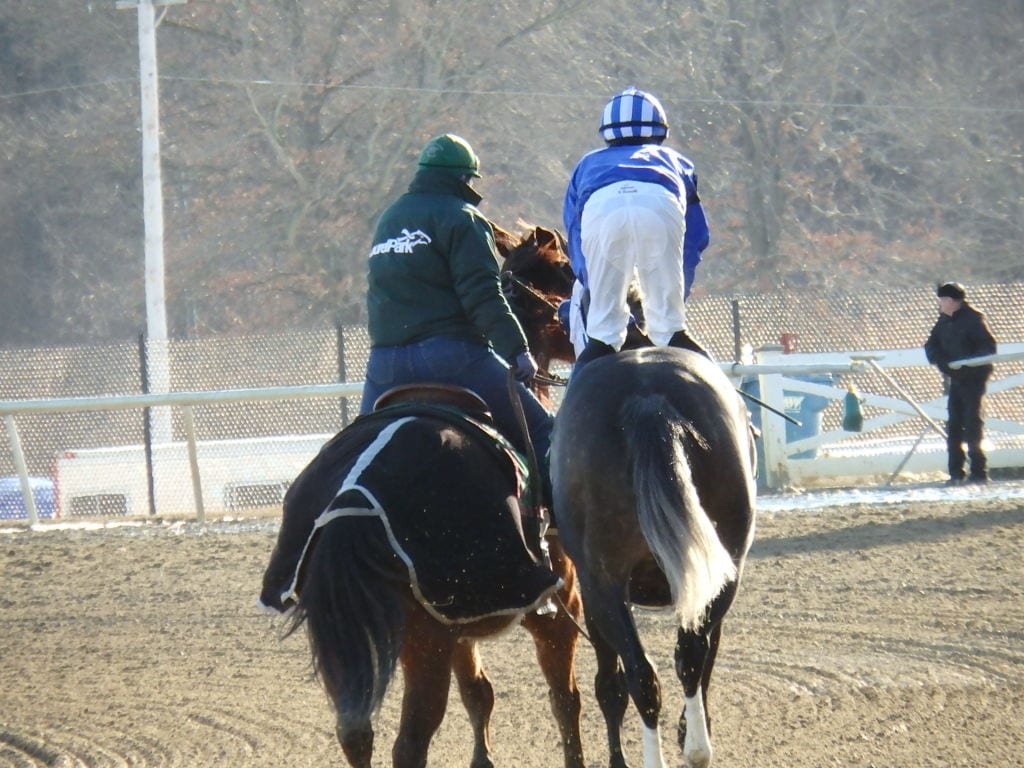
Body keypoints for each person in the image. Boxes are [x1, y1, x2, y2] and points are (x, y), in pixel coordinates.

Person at [361, 133, 554, 547]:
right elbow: (483, 293)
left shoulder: (391, 217)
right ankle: (556, 531)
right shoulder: (462, 217)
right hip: (452, 358)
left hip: (384, 364)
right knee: (545, 433)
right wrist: (517, 350)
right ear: (466, 178)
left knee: (356, 452)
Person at [563, 86, 711, 369]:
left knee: (602, 336)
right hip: (661, 204)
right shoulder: (677, 161)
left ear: (607, 131)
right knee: (670, 332)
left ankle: (567, 407)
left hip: (600, 210)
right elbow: (696, 236)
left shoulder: (586, 164)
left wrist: (592, 282)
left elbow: (574, 233)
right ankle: (737, 407)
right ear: (660, 131)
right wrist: (677, 293)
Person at [924, 282, 997, 485]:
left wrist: (966, 364)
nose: (939, 304)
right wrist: (942, 361)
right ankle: (956, 472)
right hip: (955, 380)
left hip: (974, 380)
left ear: (950, 300)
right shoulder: (944, 321)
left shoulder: (974, 319)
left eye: (941, 300)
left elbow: (988, 347)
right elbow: (931, 345)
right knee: (954, 424)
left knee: (973, 424)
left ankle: (979, 472)